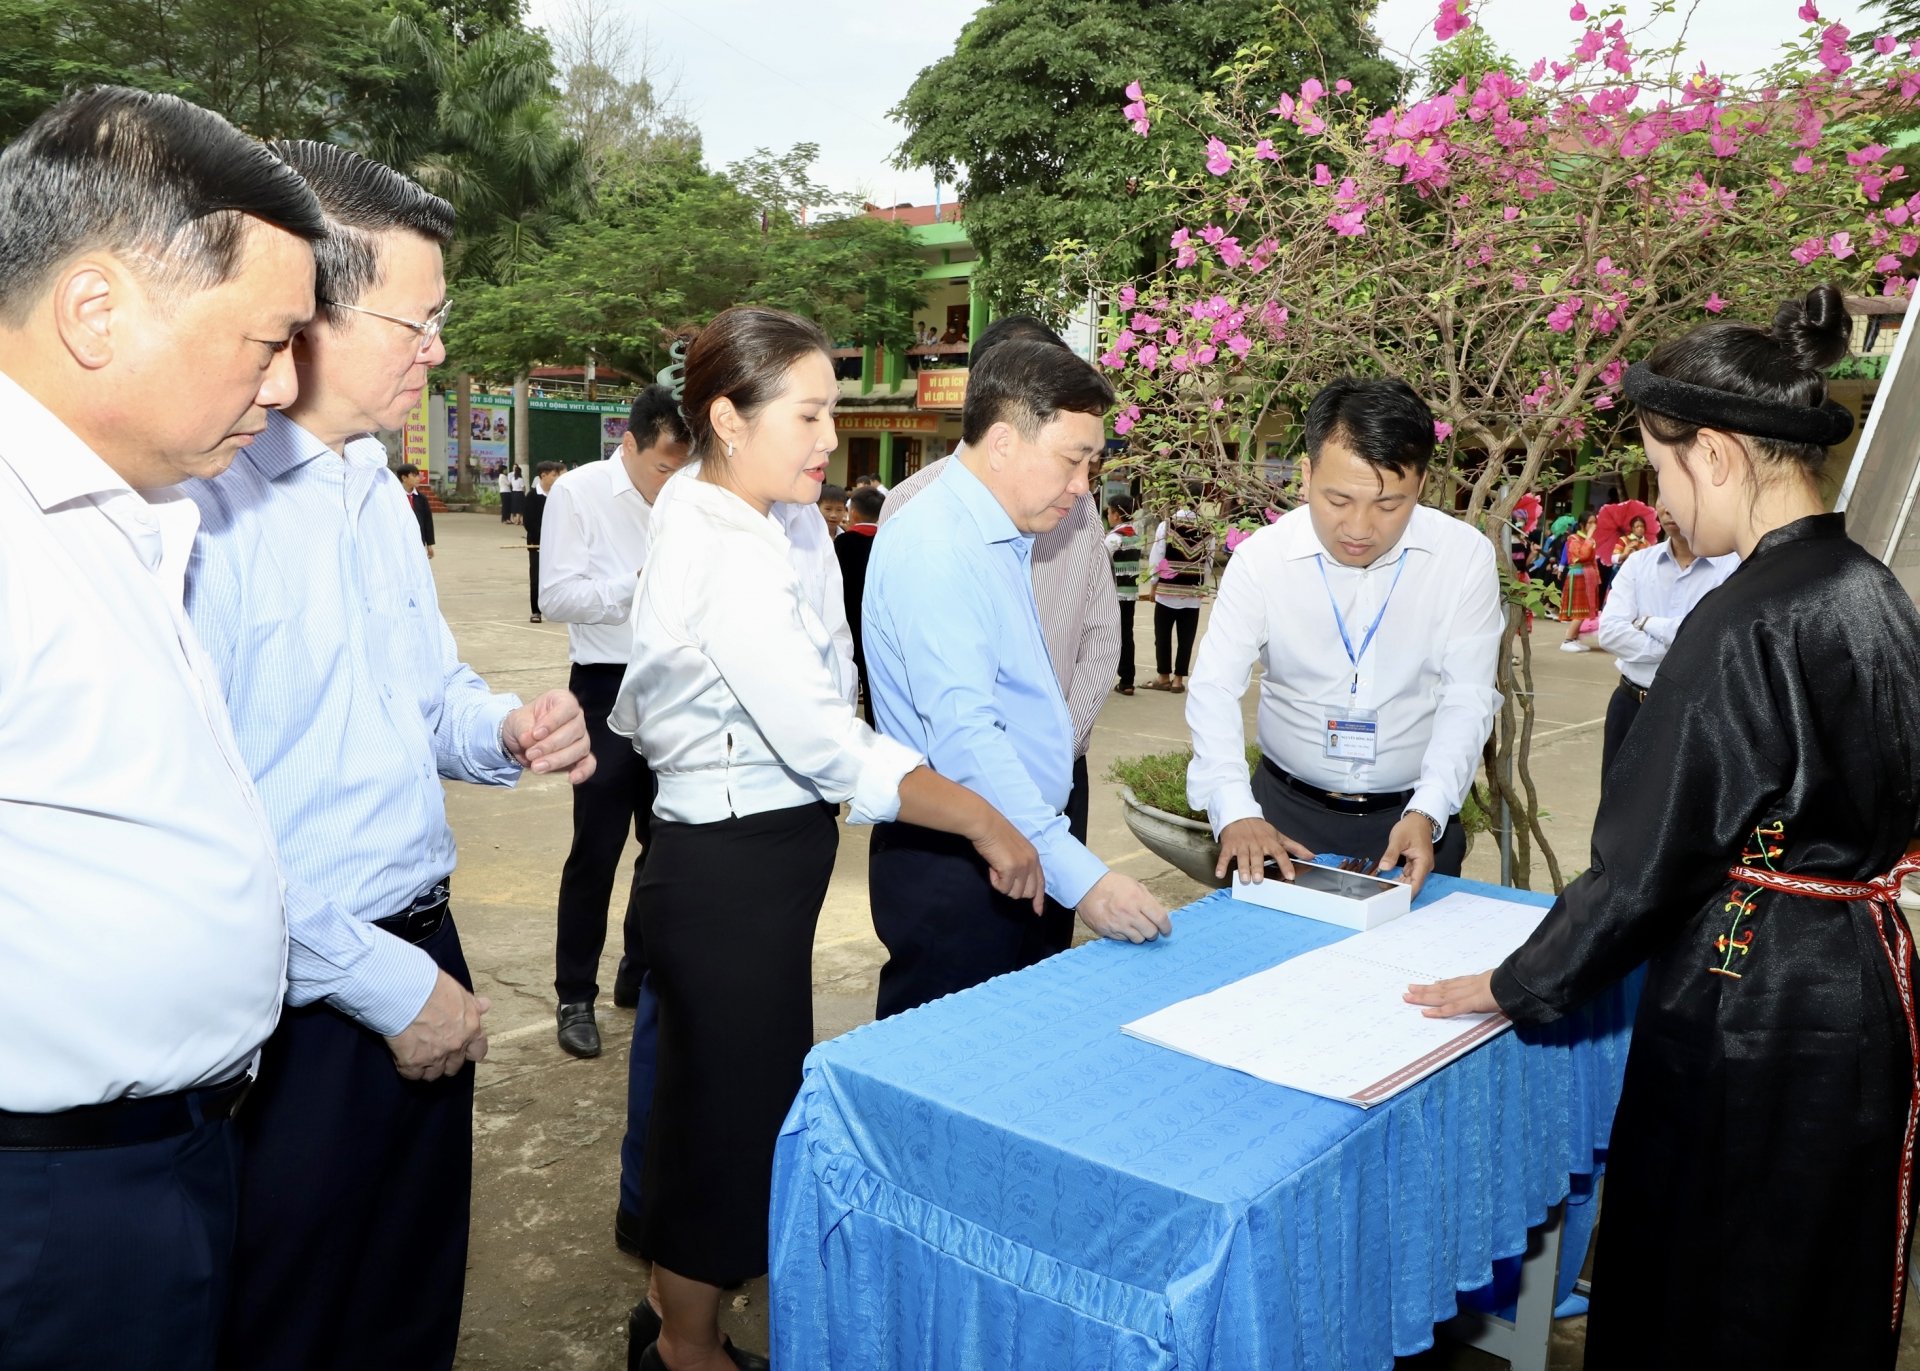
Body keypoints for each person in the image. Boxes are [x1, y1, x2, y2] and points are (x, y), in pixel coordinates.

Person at [1408, 286, 1920, 1368]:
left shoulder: (1742, 620)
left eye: (1662, 470)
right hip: (1867, 987)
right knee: (1815, 1269)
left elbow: (1643, 867)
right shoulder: (1870, 590)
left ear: (1721, 457)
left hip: (1753, 1004)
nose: (1663, 507)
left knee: (1712, 1271)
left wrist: (1515, 982)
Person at [184, 140, 596, 1371]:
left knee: (410, 1298)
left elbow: (422, 700)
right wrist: (378, 984)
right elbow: (199, 823)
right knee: (292, 1316)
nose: (437, 351)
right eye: (417, 321)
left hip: (426, 942)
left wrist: (503, 728)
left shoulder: (367, 480)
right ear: (306, 310)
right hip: (300, 994)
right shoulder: (201, 507)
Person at [609, 306, 1042, 1371]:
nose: (827, 439)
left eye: (833, 412)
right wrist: (982, 816)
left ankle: (677, 1319)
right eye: (807, 414)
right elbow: (825, 740)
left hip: (753, 866)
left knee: (714, 1103)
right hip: (729, 871)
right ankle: (686, 1349)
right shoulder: (723, 546)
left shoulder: (756, 520)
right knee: (727, 1120)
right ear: (726, 415)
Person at [0, 86, 321, 1371]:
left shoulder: (117, 516)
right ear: (96, 310)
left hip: (158, 1162)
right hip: (46, 1205)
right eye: (266, 338)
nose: (288, 381)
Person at [866, 336, 1169, 1021]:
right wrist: (1084, 879)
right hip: (962, 856)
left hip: (1016, 836)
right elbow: (966, 735)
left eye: (1092, 464)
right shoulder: (939, 547)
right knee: (950, 1068)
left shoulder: (996, 532)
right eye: (1072, 461)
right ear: (1002, 444)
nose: (1082, 486)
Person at [1185, 376, 1502, 891]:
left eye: (1388, 505)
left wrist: (1429, 809)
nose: (1358, 527)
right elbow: (1215, 687)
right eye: (1338, 500)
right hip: (1282, 818)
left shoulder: (1463, 559)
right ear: (1306, 474)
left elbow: (1467, 697)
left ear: (1421, 485)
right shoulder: (1261, 560)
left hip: (1413, 821)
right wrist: (1233, 808)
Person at [538, 385, 692, 1058]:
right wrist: (639, 581)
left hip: (675, 686)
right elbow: (557, 595)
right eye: (662, 465)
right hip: (604, 689)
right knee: (595, 850)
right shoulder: (578, 494)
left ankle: (638, 970)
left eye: (681, 466)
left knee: (666, 843)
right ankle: (576, 993)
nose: (671, 481)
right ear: (628, 444)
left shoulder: (689, 497)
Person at [1593, 503, 1737, 780]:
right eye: (1663, 494)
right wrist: (1677, 644)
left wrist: (1648, 623)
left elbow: (1715, 638)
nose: (1669, 507)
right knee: (1616, 809)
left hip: (1696, 711)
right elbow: (1610, 632)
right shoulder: (1638, 563)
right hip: (1631, 705)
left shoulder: (1733, 568)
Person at [1144, 497, 1209, 692]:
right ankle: (1179, 679)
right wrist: (1202, 587)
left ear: (1182, 500)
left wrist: (1153, 584)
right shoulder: (1207, 528)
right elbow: (1208, 561)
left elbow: (1157, 556)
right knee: (1186, 638)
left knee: (1162, 635)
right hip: (1192, 591)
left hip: (1168, 590)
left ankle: (1163, 676)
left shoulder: (1167, 524)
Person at [836, 482, 885, 720]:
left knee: (850, 676)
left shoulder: (844, 543)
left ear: (852, 512)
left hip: (849, 617)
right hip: (878, 619)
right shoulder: (886, 539)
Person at [1106, 494, 1145, 695]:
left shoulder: (1113, 538)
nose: (1108, 515)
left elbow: (1102, 563)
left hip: (1114, 593)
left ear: (1116, 515)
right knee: (1126, 635)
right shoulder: (1135, 535)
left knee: (1110, 636)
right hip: (1130, 593)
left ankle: (1114, 676)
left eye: (1110, 511)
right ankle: (1127, 679)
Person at [524, 459, 562, 622]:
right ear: (543, 476)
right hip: (537, 544)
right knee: (537, 577)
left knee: (557, 576)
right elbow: (529, 522)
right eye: (554, 475)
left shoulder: (557, 495)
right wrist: (544, 538)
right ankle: (536, 611)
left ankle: (556, 609)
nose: (556, 478)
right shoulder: (532, 496)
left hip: (557, 544)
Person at [1560, 511, 1601, 650]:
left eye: (1594, 522)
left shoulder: (1589, 540)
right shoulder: (1574, 539)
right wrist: (1589, 538)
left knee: (1586, 609)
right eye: (1590, 522)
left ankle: (1574, 638)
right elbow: (1582, 556)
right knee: (1579, 610)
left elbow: (1592, 561)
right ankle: (1567, 640)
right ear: (1582, 524)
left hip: (1588, 575)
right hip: (1578, 574)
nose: (1593, 525)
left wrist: (1597, 577)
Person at [398, 461, 435, 557]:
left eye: (418, 476)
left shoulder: (421, 498)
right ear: (404, 478)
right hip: (400, 540)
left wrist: (429, 544)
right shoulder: (395, 497)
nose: (418, 479)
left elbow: (427, 521)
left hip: (418, 540)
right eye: (414, 476)